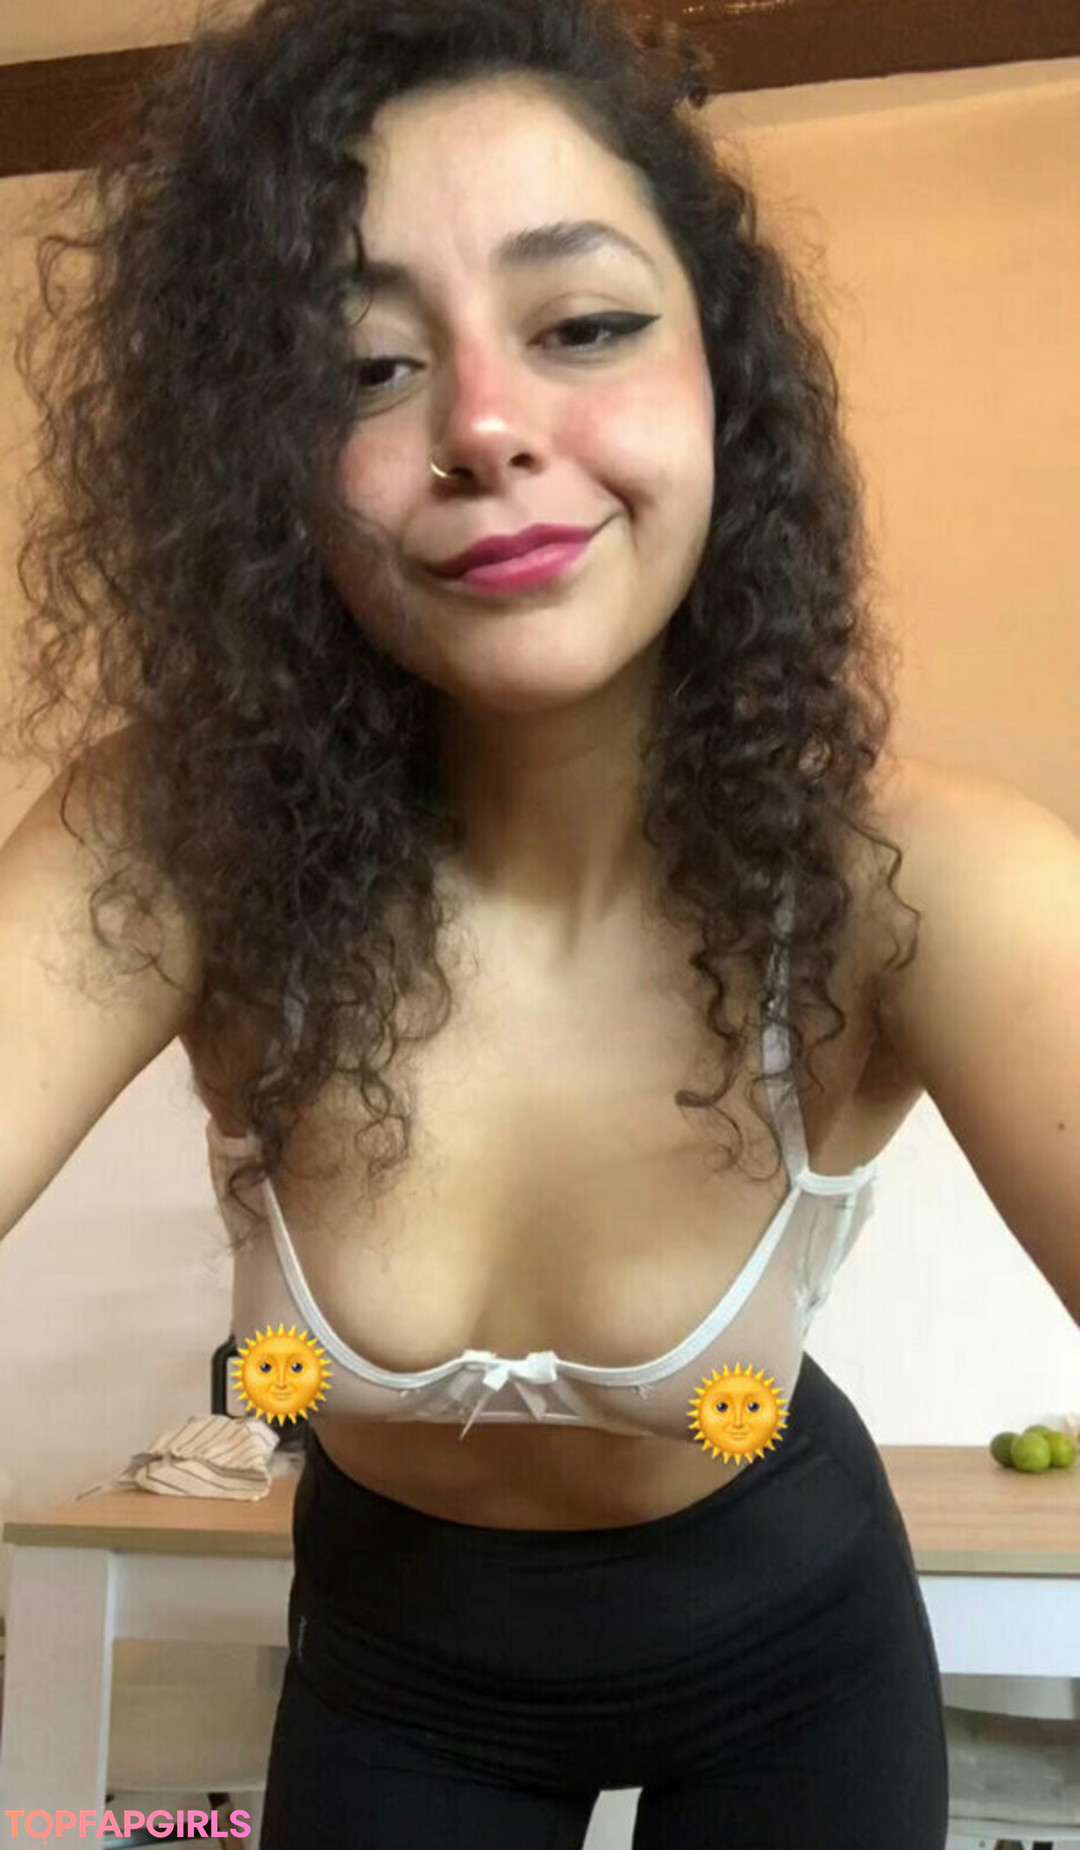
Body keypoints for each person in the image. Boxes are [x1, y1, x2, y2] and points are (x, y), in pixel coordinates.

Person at [3, 0, 1077, 1844]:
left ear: (725, 372)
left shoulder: (917, 880)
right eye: (365, 365)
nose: (487, 428)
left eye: (583, 325)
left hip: (795, 1656)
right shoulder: (177, 837)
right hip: (395, 1678)